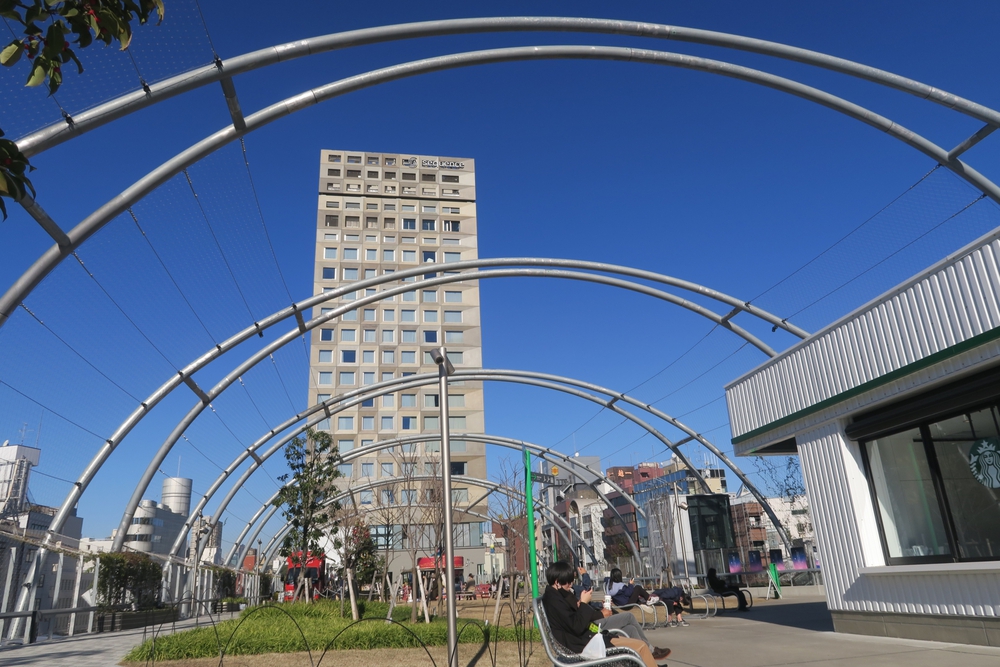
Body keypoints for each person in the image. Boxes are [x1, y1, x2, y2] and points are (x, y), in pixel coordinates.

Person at [542, 561, 669, 667]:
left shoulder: (557, 596)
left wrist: (585, 606)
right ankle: (650, 658)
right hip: (585, 644)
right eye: (568, 582)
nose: (571, 585)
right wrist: (585, 604)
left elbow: (575, 621)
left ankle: (650, 661)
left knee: (630, 630)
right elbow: (576, 625)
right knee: (640, 646)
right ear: (557, 582)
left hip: (591, 636)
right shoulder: (554, 601)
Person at [573, 567, 671, 657]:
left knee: (631, 628)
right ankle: (651, 650)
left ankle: (646, 657)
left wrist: (600, 606)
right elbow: (586, 588)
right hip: (595, 623)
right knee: (630, 614)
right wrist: (630, 584)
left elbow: (588, 605)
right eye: (569, 580)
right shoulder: (570, 594)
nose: (571, 582)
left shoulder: (608, 585)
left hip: (602, 613)